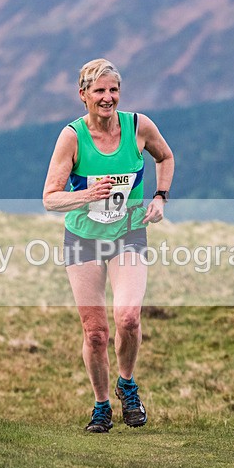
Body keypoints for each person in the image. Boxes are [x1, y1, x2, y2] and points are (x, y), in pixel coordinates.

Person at [42, 59, 174, 433]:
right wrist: (86, 195)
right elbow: (50, 198)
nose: (107, 98)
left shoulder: (138, 126)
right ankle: (102, 406)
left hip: (128, 233)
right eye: (99, 91)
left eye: (113, 90)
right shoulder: (72, 136)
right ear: (82, 95)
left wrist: (161, 197)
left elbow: (165, 157)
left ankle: (127, 386)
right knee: (96, 333)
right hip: (82, 239)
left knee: (128, 317)